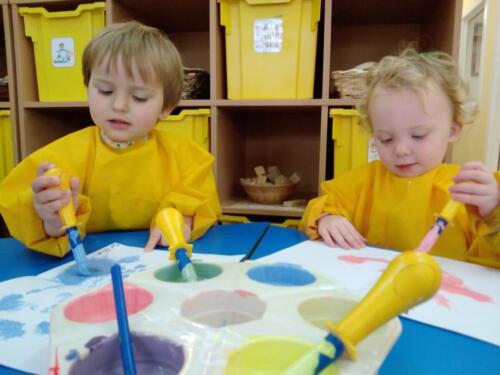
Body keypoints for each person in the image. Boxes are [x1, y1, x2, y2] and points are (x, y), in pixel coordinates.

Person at [0, 21, 221, 257]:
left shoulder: (184, 156)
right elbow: (22, 207)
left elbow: (200, 200)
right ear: (88, 88)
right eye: (105, 91)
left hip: (156, 261)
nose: (118, 105)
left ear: (166, 107)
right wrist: (52, 221)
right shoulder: (64, 156)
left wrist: (182, 220)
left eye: (138, 97)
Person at [300, 49, 499, 268]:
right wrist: (327, 218)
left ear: (452, 131)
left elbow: (491, 263)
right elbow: (321, 204)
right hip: (374, 289)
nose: (401, 149)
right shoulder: (365, 181)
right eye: (386, 139)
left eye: (418, 135)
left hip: (448, 297)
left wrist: (494, 213)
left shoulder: (468, 191)